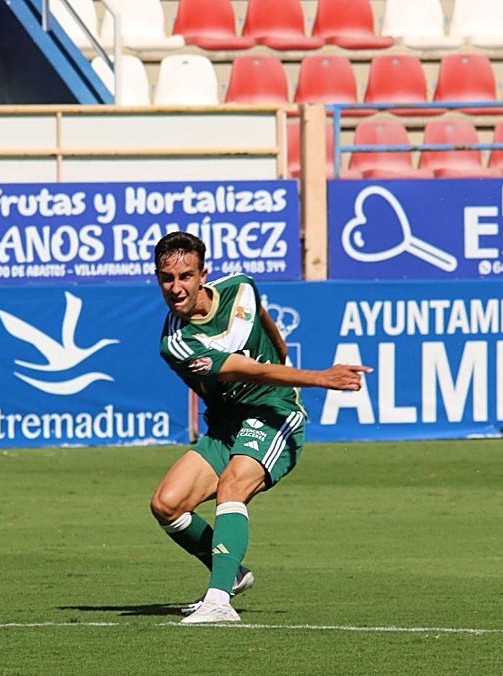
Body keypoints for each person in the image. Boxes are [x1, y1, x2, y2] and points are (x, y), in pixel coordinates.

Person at [150, 230, 372, 624]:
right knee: (167, 504)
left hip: (273, 411)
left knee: (233, 485)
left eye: (186, 276)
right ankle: (231, 571)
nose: (176, 288)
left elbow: (263, 319)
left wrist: (283, 350)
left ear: (204, 274)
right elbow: (249, 369)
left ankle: (218, 602)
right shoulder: (178, 344)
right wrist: (321, 377)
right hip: (225, 425)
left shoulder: (240, 287)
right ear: (157, 278)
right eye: (167, 278)